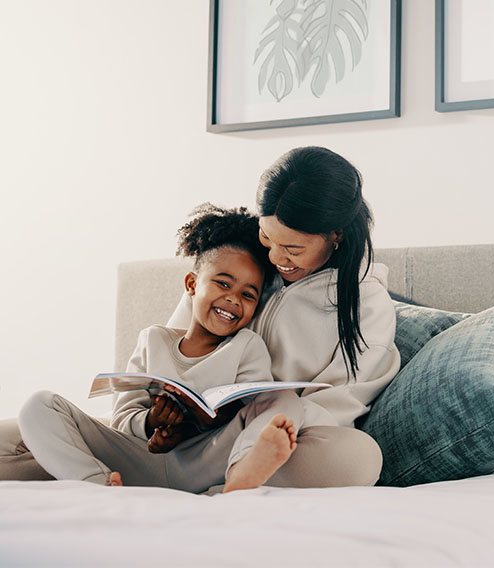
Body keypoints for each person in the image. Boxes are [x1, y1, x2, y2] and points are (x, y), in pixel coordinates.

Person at [18, 204, 303, 493]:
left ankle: (243, 470)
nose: (233, 299)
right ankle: (95, 483)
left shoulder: (246, 346)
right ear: (192, 284)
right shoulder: (152, 340)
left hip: (209, 457)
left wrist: (201, 421)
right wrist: (153, 422)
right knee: (38, 405)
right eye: (222, 284)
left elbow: (249, 405)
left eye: (247, 294)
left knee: (284, 399)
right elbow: (123, 421)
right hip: (138, 459)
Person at [168, 146, 401, 488]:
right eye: (267, 237)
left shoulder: (367, 306)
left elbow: (339, 405)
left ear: (336, 235)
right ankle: (207, 480)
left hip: (271, 441)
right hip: (188, 432)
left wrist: (262, 419)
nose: (276, 257)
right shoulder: (235, 258)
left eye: (293, 249)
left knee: (359, 456)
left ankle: (230, 480)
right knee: (60, 409)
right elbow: (176, 342)